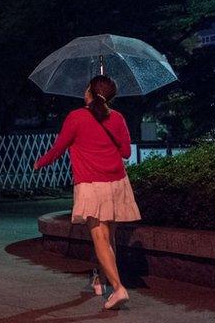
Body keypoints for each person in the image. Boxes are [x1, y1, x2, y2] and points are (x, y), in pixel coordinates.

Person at [33, 74, 141, 310]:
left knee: (100, 238)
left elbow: (59, 148)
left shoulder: (76, 117)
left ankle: (118, 287)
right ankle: (100, 280)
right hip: (117, 183)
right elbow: (125, 152)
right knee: (108, 238)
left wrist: (40, 163)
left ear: (90, 92)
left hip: (92, 185)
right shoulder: (118, 118)